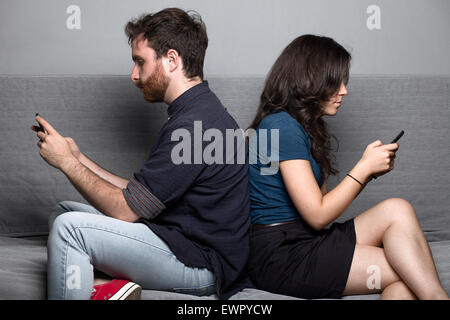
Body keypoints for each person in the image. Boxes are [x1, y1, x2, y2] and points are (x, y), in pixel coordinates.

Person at [32, 8, 251, 300]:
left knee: (69, 229)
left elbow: (125, 209)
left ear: (171, 60)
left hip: (202, 267)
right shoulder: (196, 112)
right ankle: (107, 288)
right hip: (175, 239)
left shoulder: (196, 125)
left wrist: (66, 163)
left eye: (140, 62)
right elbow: (141, 195)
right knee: (65, 211)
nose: (134, 75)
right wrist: (79, 157)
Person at [246, 34, 449, 300]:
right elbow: (317, 215)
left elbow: (320, 215)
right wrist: (363, 168)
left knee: (398, 209)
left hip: (308, 238)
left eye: (344, 81)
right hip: (282, 255)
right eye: (335, 82)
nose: (344, 91)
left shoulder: (307, 128)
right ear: (310, 81)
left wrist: (368, 172)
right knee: (410, 270)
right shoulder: (281, 126)